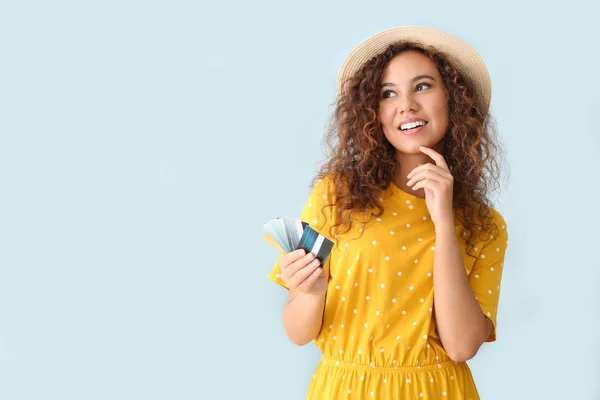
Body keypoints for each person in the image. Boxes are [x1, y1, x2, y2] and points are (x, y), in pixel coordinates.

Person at [267, 26, 509, 399]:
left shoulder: (485, 226)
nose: (406, 104)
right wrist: (312, 292)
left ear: (454, 100)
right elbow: (298, 333)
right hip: (343, 389)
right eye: (388, 93)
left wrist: (444, 221)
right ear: (373, 113)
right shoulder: (336, 195)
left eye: (423, 86)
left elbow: (461, 347)